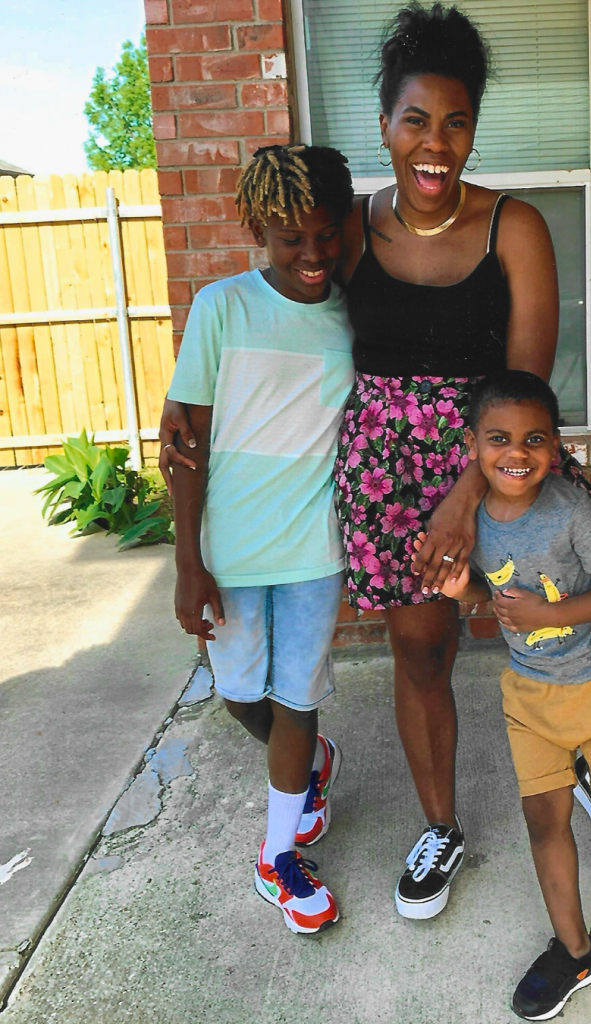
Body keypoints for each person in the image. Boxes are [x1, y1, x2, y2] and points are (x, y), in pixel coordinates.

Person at [158, 3, 591, 919]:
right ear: (384, 126)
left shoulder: (514, 226)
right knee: (420, 655)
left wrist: (467, 497)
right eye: (415, 120)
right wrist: (184, 406)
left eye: (457, 121)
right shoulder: (345, 230)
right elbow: (278, 305)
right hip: (388, 477)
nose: (436, 144)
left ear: (473, 128)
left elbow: (527, 378)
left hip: (503, 466)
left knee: (572, 632)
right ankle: (441, 827)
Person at [427, 370, 591, 1019]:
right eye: (498, 439)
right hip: (531, 696)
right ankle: (574, 949)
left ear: (553, 448)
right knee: (544, 821)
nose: (515, 453)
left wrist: (552, 616)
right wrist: (459, 589)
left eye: (533, 439)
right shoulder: (475, 524)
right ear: (471, 445)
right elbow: (493, 598)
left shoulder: (570, 512)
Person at [170, 143, 356, 935]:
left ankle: (276, 857)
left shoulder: (356, 312)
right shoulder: (222, 307)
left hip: (315, 547)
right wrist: (188, 561)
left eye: (324, 235)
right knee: (240, 696)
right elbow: (185, 444)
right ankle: (309, 767)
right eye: (290, 240)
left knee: (295, 699)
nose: (311, 255)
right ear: (256, 229)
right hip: (233, 551)